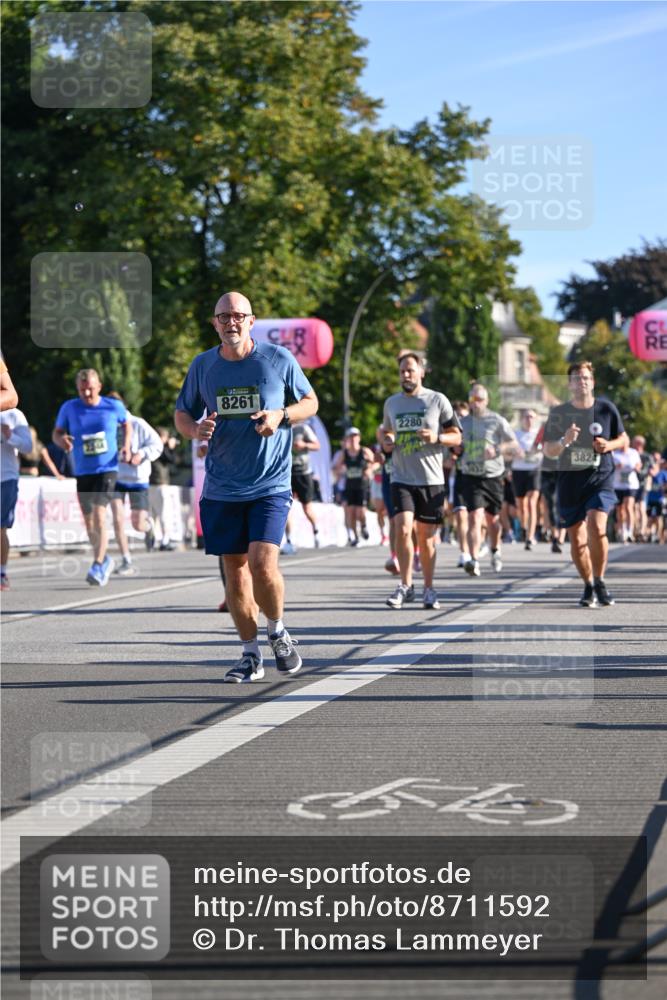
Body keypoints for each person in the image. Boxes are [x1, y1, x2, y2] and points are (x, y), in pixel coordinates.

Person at [174, 289, 318, 683]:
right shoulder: (203, 365)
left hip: (269, 482)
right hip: (222, 486)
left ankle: (277, 630)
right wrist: (194, 429)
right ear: (215, 323)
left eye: (239, 315)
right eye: (224, 317)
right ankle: (249, 654)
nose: (231, 322)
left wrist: (282, 415)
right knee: (235, 571)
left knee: (261, 563)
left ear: (251, 321)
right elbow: (182, 413)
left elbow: (311, 402)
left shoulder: (277, 359)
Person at [543, 361, 628, 607]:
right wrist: (564, 440)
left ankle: (600, 580)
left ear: (593, 382)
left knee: (596, 524)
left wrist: (608, 446)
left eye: (586, 378)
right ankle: (588, 584)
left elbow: (624, 438)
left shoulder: (606, 409)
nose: (583, 382)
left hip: (600, 477)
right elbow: (549, 451)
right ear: (570, 384)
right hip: (570, 481)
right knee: (577, 539)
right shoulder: (559, 413)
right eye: (577, 378)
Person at [382, 352, 461, 610]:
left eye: (411, 370)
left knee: (426, 537)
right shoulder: (392, 404)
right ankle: (405, 585)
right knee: (403, 527)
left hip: (431, 478)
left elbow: (457, 437)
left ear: (421, 372)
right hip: (401, 476)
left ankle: (428, 588)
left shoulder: (437, 400)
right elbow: (386, 432)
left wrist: (437, 438)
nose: (406, 375)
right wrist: (387, 442)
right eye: (402, 371)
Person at [52, 369, 131, 586]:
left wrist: (125, 446)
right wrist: (62, 441)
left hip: (107, 468)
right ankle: (104, 558)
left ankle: (97, 564)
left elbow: (127, 423)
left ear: (99, 386)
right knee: (88, 521)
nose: (86, 393)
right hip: (83, 470)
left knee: (98, 514)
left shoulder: (113, 405)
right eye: (82, 389)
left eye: (90, 388)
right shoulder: (69, 407)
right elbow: (57, 432)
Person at [458, 383, 520, 577]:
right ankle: (473, 559)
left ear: (487, 401)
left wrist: (497, 450)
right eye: (472, 400)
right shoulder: (463, 422)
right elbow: (454, 443)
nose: (475, 404)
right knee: (474, 516)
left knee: (492, 521)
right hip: (471, 475)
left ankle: (495, 550)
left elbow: (514, 444)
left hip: (493, 476)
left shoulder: (496, 420)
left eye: (479, 400)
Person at [107, 392, 164, 576]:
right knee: (117, 519)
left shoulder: (138, 424)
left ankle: (148, 527)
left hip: (138, 479)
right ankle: (126, 559)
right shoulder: (107, 426)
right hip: (116, 478)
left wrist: (141, 454)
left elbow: (157, 445)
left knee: (137, 524)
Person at [0, 407, 32, 589]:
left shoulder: (13, 414)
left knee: (0, 527)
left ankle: (1, 573)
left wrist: (10, 435)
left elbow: (28, 446)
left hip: (5, 477)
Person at [282, 420, 321, 554]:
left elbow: (317, 445)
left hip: (304, 472)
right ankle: (290, 541)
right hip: (287, 473)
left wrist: (304, 444)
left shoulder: (303, 429)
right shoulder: (279, 427)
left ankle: (316, 530)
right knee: (286, 507)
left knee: (307, 507)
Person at [334, 428, 374, 546]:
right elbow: (336, 468)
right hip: (349, 485)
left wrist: (369, 469)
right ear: (347, 439)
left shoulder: (364, 451)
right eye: (350, 437)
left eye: (355, 436)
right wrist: (339, 471)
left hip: (362, 485)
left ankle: (363, 525)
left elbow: (376, 462)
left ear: (359, 438)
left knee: (360, 512)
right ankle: (355, 537)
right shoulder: (344, 454)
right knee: (351, 512)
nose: (353, 439)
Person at [512, 409, 543, 550]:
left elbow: (547, 449)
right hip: (518, 470)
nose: (529, 419)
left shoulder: (539, 434)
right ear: (521, 419)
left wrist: (539, 450)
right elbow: (508, 450)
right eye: (526, 417)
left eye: (532, 417)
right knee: (521, 506)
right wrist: (515, 452)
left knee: (531, 503)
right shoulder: (515, 434)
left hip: (534, 470)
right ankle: (524, 528)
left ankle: (530, 537)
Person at [148, 428, 178, 551]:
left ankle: (153, 541)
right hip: (160, 484)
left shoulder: (149, 446)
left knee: (153, 516)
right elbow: (171, 459)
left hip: (150, 485)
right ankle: (164, 540)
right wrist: (170, 448)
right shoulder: (159, 447)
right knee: (164, 514)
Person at [611, 438, 642, 544]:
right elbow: (610, 466)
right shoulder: (614, 453)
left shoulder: (633, 453)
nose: (623, 445)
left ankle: (630, 532)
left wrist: (636, 467)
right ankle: (622, 531)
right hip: (618, 485)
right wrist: (617, 466)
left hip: (631, 484)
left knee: (629, 507)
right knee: (620, 509)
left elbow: (639, 465)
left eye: (625, 443)